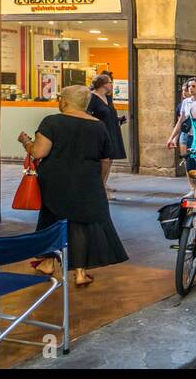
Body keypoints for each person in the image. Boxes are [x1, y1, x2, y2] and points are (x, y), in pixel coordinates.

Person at [25, 85, 128, 287]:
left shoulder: (52, 122)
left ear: (64, 101)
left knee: (51, 218)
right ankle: (79, 272)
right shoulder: (98, 126)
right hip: (87, 180)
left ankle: (47, 262)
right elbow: (106, 159)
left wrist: (26, 141)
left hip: (55, 181)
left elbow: (38, 152)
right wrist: (100, 181)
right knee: (80, 224)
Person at [86, 73, 126, 184]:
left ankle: (104, 183)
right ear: (103, 84)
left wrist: (118, 119)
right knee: (104, 159)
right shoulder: (92, 97)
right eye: (110, 82)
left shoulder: (108, 97)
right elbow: (88, 115)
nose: (112, 84)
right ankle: (100, 186)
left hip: (111, 130)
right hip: (100, 132)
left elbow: (109, 113)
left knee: (110, 159)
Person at [166, 79, 196, 168]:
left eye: (193, 86)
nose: (190, 88)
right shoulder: (186, 102)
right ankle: (192, 182)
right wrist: (171, 138)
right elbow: (180, 121)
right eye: (189, 86)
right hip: (187, 135)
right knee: (188, 164)